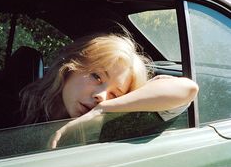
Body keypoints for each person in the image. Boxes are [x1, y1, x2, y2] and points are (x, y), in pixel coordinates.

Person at [20, 32, 199, 148]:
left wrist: (101, 110)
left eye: (115, 94)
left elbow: (187, 89)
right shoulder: (19, 104)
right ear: (69, 68)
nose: (101, 96)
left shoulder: (110, 127)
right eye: (96, 77)